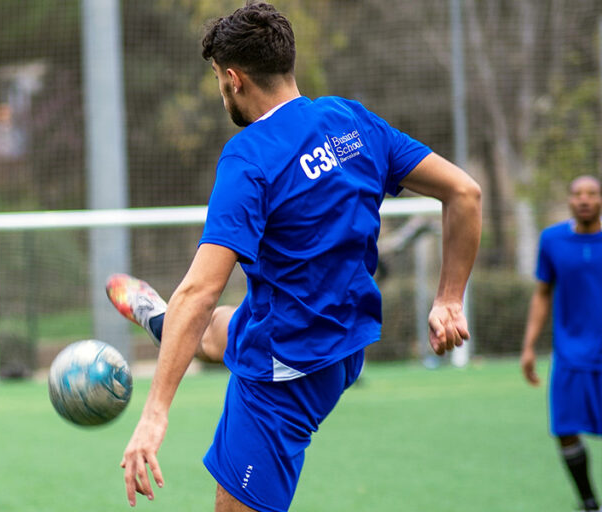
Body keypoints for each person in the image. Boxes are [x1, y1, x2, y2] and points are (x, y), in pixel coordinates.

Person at [106, 4, 482, 511]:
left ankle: (167, 322)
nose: (222, 92)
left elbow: (200, 289)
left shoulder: (250, 158)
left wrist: (154, 414)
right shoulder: (353, 121)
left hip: (288, 366)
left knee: (233, 492)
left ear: (235, 79)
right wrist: (450, 300)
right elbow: (464, 192)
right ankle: (162, 319)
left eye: (219, 80)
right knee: (230, 329)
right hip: (347, 343)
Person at [521, 176, 602, 512]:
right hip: (570, 353)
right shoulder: (552, 240)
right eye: (577, 193)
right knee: (566, 429)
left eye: (592, 193)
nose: (584, 199)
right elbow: (542, 293)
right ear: (569, 200)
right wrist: (528, 346)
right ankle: (588, 503)